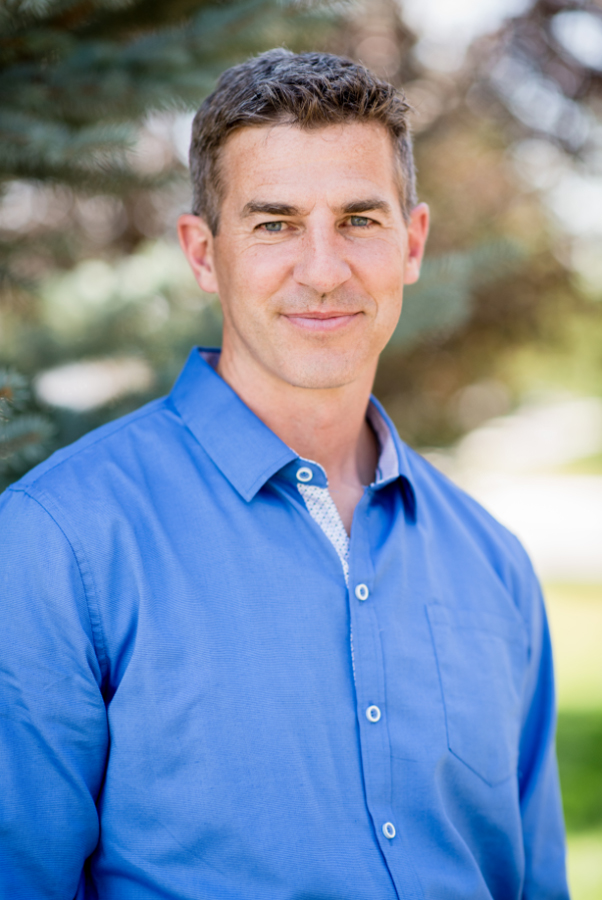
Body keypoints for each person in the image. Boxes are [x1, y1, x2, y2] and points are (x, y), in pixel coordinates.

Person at [0, 50, 569, 899]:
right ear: (203, 253)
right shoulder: (61, 541)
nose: (323, 268)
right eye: (274, 223)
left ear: (410, 243)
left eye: (358, 220)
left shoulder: (493, 565)